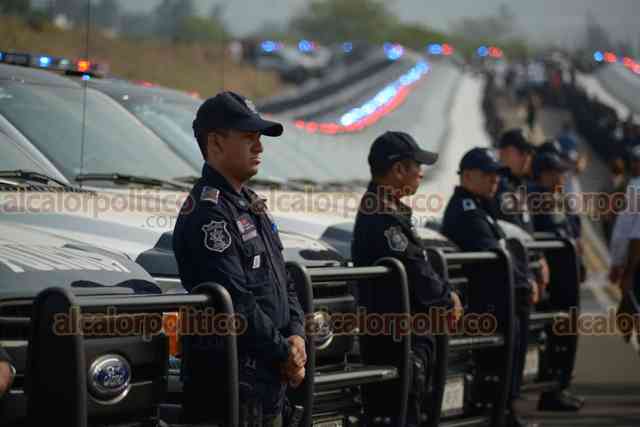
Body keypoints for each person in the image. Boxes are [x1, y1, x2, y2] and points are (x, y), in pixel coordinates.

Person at [173, 91, 306, 426]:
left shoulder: (249, 203)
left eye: (259, 138)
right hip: (233, 386)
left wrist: (297, 335)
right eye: (248, 138)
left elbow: (283, 278)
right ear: (216, 143)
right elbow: (235, 303)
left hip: (267, 381)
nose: (259, 147)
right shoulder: (208, 213)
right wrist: (284, 352)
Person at [351, 131, 463, 426]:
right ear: (399, 169)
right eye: (417, 166)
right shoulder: (381, 214)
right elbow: (414, 269)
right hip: (397, 341)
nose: (421, 174)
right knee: (402, 412)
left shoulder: (388, 208)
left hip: (407, 336)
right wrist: (446, 297)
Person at [441, 147, 535, 427]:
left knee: (507, 362)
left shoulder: (481, 206)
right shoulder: (467, 211)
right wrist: (522, 283)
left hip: (497, 299)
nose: (495, 180)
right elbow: (492, 253)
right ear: (467, 176)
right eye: (488, 174)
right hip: (486, 304)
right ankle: (499, 415)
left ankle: (505, 412)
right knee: (496, 366)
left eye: (497, 175)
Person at [527, 150, 584, 411]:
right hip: (552, 283)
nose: (561, 176)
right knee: (554, 338)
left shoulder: (558, 198)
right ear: (544, 174)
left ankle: (560, 388)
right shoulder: (535, 198)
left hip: (567, 279)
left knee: (565, 338)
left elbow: (572, 230)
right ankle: (550, 392)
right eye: (556, 172)